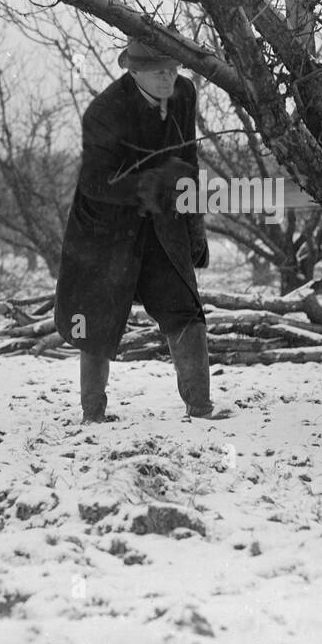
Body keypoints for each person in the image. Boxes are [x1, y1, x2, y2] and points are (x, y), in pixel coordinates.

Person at [54, 34, 231, 423]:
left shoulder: (183, 94)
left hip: (162, 219)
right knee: (98, 317)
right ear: (134, 70)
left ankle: (200, 407)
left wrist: (194, 224)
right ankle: (93, 413)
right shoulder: (104, 112)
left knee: (183, 305)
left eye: (174, 68)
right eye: (159, 71)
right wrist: (149, 185)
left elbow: (188, 159)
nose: (169, 77)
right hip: (105, 226)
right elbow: (95, 183)